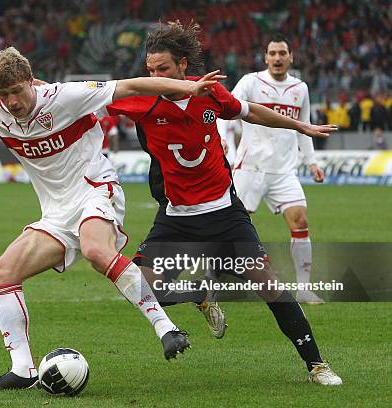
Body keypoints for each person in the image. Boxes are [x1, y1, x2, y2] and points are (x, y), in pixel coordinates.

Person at [0, 47, 225, 391]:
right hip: (57, 213)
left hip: (96, 189)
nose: (13, 101)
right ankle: (22, 370)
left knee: (96, 251)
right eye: (4, 94)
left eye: (18, 91)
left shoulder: (64, 97)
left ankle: (166, 328)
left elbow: (131, 87)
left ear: (31, 82)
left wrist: (186, 88)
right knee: (3, 273)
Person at [105, 21, 342, 385]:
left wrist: (301, 128)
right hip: (177, 218)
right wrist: (40, 91)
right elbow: (80, 97)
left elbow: (251, 110)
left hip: (225, 213)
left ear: (183, 65)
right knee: (138, 287)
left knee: (270, 286)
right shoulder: (140, 99)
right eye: (150, 71)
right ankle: (198, 292)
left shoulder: (210, 93)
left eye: (163, 69)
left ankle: (317, 365)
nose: (156, 77)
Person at [224, 33, 326, 305]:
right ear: (266, 57)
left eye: (282, 53)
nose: (278, 58)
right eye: (273, 53)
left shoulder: (300, 88)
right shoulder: (250, 82)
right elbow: (225, 111)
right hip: (250, 168)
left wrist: (312, 162)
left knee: (300, 221)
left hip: (284, 171)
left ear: (291, 57)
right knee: (234, 226)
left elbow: (304, 128)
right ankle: (217, 282)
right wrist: (227, 144)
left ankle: (303, 288)